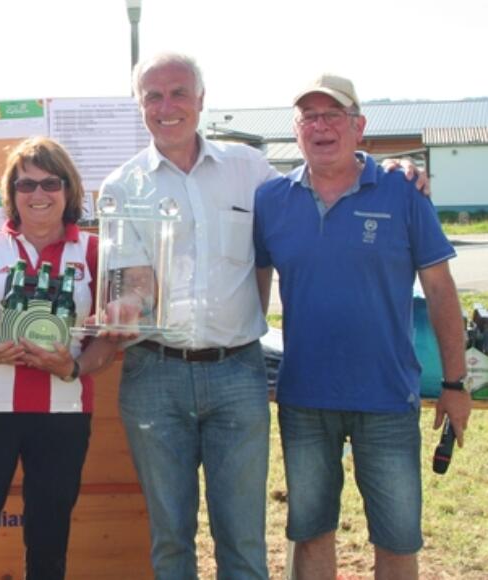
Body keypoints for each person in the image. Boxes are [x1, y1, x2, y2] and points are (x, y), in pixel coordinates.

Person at [100, 53, 428, 579]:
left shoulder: (249, 170)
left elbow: (323, 175)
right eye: (153, 96)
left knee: (244, 540)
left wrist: (392, 170)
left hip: (236, 375)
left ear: (202, 100)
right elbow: (137, 280)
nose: (168, 106)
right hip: (153, 376)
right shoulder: (122, 186)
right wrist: (127, 306)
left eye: (179, 92)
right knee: (170, 539)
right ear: (139, 106)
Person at [253, 74, 470, 580]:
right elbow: (255, 293)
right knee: (309, 534)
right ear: (296, 129)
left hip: (387, 397)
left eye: (333, 116)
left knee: (396, 540)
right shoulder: (271, 201)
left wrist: (456, 384)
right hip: (305, 398)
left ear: (359, 126)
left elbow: (441, 290)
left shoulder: (401, 190)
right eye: (310, 117)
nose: (321, 127)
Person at [0, 136, 118, 579]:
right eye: (25, 185)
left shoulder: (94, 253)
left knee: (49, 539)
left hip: (64, 412)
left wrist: (73, 366)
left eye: (50, 184)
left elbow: (110, 338)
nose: (38, 195)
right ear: (11, 195)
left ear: (68, 190)